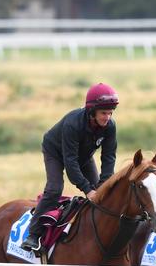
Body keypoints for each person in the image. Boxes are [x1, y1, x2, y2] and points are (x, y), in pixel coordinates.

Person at [21, 83, 119, 252]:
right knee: (54, 189)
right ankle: (33, 234)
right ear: (92, 111)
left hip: (83, 155)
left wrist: (103, 184)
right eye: (103, 113)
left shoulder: (110, 126)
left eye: (110, 113)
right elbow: (71, 163)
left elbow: (109, 158)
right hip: (56, 152)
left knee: (101, 192)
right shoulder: (73, 124)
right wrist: (87, 190)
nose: (107, 117)